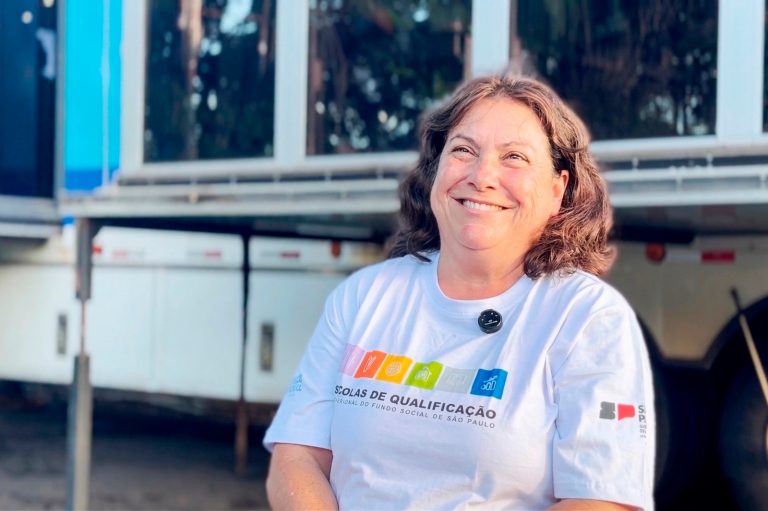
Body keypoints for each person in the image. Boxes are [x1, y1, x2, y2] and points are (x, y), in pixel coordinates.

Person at [263, 73, 655, 510]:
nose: (482, 176)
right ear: (436, 172)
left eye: (514, 157)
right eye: (464, 150)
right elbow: (296, 457)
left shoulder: (587, 316)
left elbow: (602, 501)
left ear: (556, 190)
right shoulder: (363, 296)